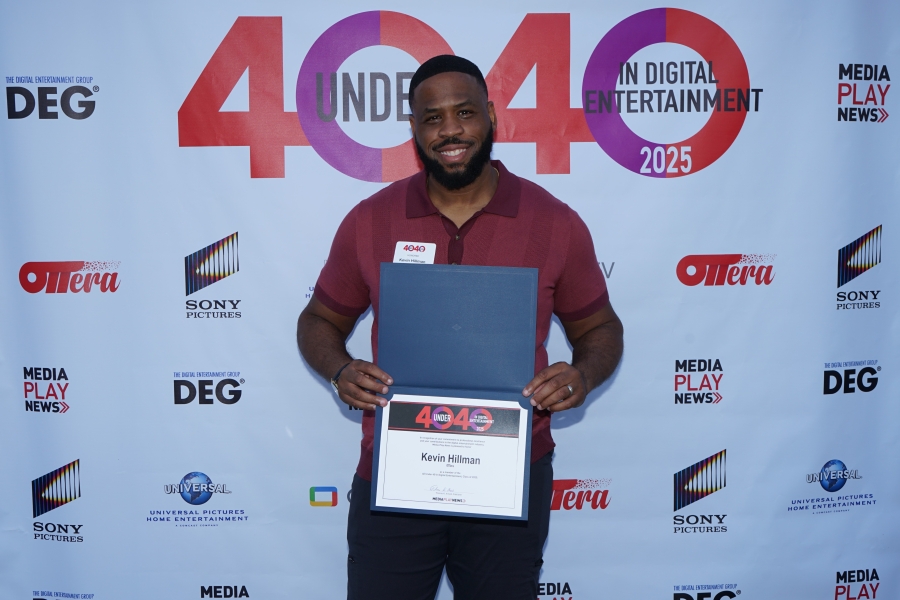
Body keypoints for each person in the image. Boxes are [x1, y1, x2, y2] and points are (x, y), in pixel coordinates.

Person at [297, 55, 623, 600]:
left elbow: (601, 329)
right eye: (432, 118)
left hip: (509, 471)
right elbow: (318, 320)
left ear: (491, 116)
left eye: (465, 112)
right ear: (414, 129)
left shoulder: (554, 222)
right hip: (396, 473)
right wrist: (340, 369)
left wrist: (582, 375)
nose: (450, 130)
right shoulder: (370, 220)